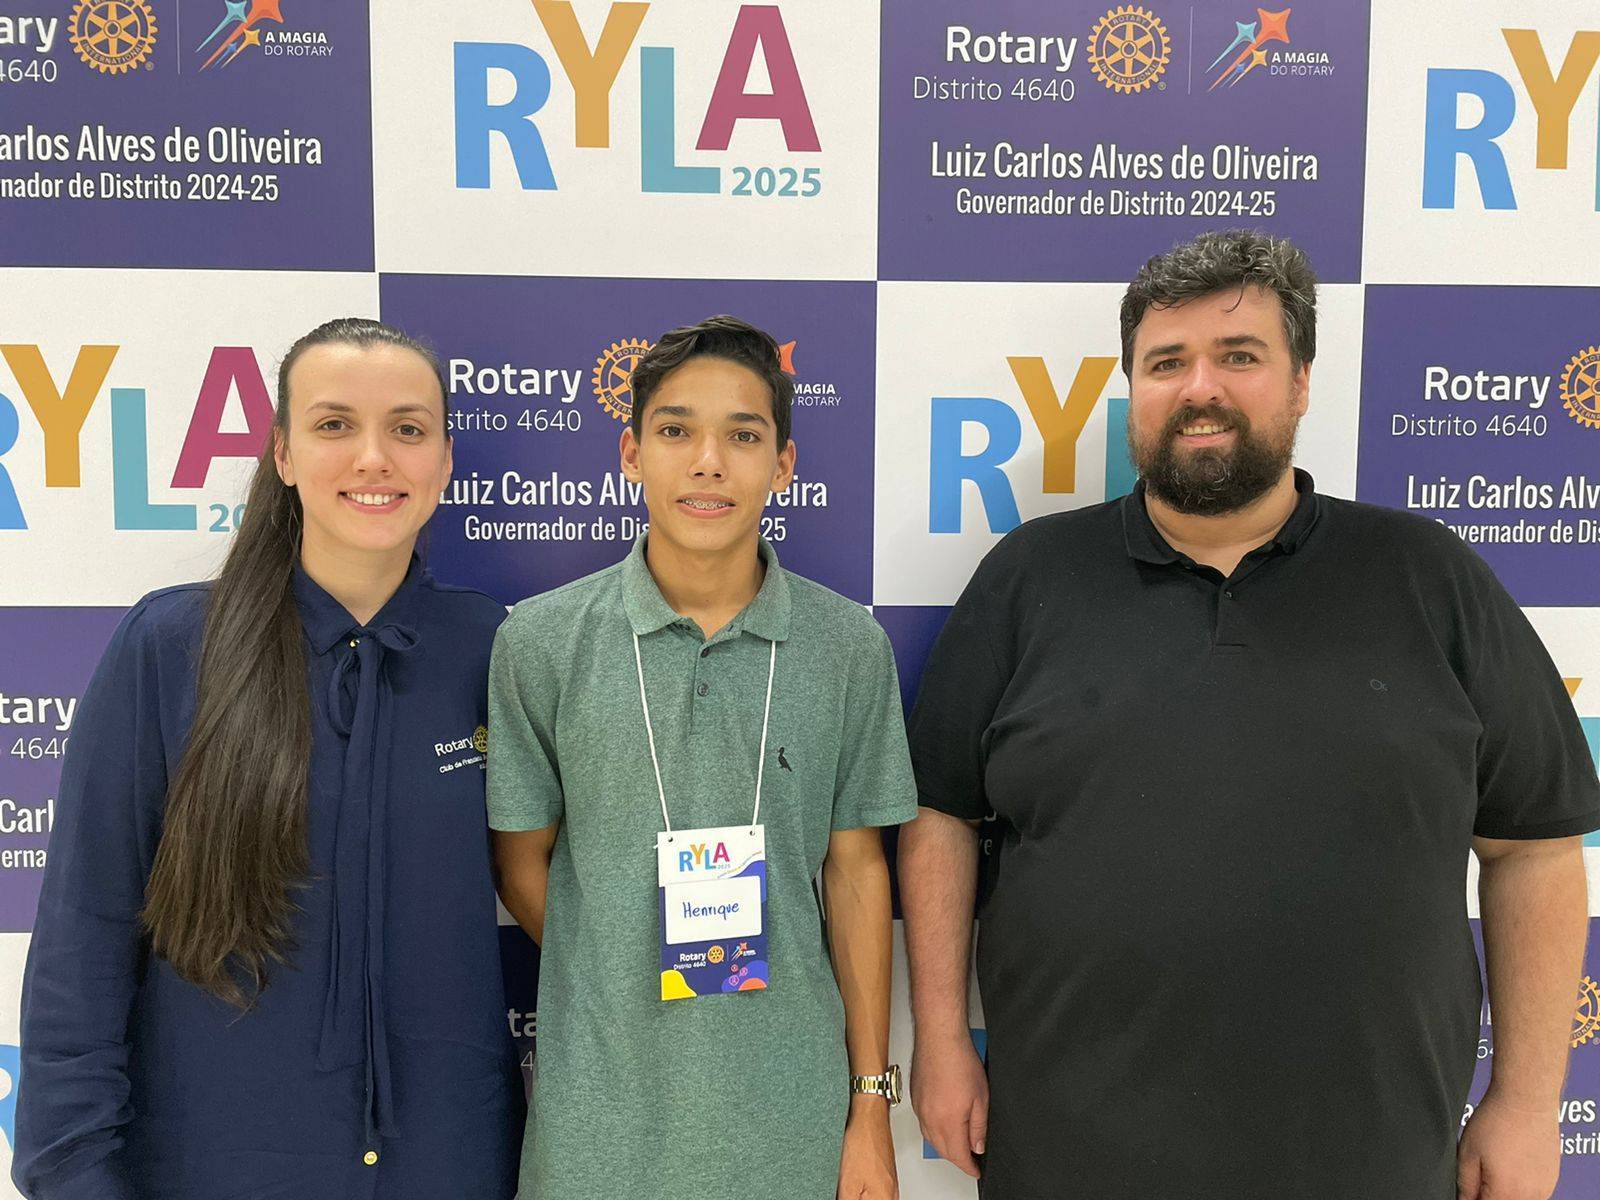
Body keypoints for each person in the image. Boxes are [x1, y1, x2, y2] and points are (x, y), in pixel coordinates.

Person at [899, 230, 1600, 1200]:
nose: (1199, 389)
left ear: (1300, 382)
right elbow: (941, 818)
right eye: (1166, 363)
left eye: (1239, 357)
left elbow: (1534, 847)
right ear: (1132, 389)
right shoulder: (1029, 579)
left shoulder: (1428, 578)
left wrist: (1525, 1101)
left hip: (1370, 1158)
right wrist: (939, 1041)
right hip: (1072, 1156)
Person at [14, 318, 523, 1199]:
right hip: (213, 1168)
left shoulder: (494, 650)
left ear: (443, 462)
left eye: (408, 429)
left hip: (448, 1167)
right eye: (334, 425)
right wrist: (74, 1172)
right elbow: (84, 937)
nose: (374, 457)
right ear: (282, 454)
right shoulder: (171, 647)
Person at [489, 315, 913, 1200]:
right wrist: (621, 960)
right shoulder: (540, 641)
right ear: (631, 454)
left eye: (743, 436)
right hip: (597, 1123)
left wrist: (869, 1105)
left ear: (783, 466)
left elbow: (859, 877)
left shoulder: (846, 647)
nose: (708, 461)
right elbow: (522, 862)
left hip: (790, 1122)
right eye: (676, 430)